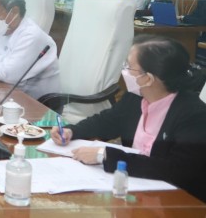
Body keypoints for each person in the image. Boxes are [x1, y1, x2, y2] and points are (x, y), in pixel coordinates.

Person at [51, 36, 206, 202]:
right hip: (136, 193)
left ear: (148, 78)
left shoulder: (193, 114)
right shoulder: (135, 98)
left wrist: (105, 155)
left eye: (129, 66)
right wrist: (72, 131)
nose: (124, 71)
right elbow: (106, 121)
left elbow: (176, 170)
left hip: (177, 201)